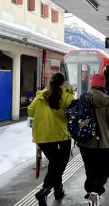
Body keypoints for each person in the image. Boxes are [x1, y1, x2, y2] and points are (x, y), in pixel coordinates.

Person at [28, 73, 74, 206]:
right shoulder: (66, 95)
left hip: (41, 137)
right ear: (63, 82)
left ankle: (57, 190)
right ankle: (45, 189)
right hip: (60, 136)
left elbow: (30, 112)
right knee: (59, 164)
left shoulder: (40, 95)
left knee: (55, 163)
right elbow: (73, 113)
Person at [79, 73, 109, 206]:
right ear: (103, 85)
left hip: (85, 142)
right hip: (104, 143)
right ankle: (95, 191)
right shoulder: (108, 101)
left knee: (90, 169)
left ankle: (90, 191)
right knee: (104, 170)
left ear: (92, 84)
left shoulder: (83, 98)